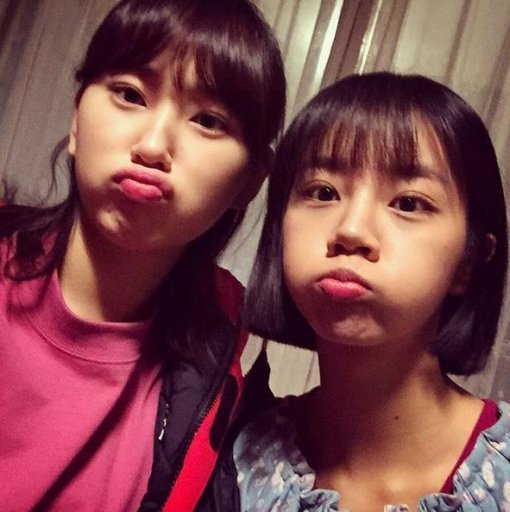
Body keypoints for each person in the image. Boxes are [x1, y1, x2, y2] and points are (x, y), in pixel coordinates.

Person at [0, 0, 285, 510]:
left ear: (250, 182)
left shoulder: (221, 387)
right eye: (130, 94)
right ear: (76, 118)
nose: (153, 147)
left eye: (208, 121)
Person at [235, 72, 509, 511]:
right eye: (323, 192)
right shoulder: (237, 459)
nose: (350, 230)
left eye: (409, 203)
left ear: (469, 261)